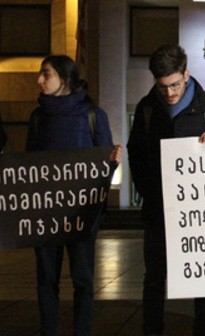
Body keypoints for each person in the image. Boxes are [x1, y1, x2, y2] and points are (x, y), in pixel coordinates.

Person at [127, 44, 205, 336]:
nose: (170, 93)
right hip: (158, 210)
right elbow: (135, 154)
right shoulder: (147, 108)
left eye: (175, 85)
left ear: (186, 74)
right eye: (163, 87)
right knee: (155, 278)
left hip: (201, 213)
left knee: (203, 278)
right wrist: (149, 193)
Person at [26, 54, 122, 336]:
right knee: (46, 280)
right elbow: (29, 165)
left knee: (82, 279)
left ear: (65, 79)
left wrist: (113, 160)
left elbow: (105, 165)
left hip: (81, 215)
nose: (40, 80)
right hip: (45, 214)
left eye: (46, 74)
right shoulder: (37, 117)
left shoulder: (93, 115)